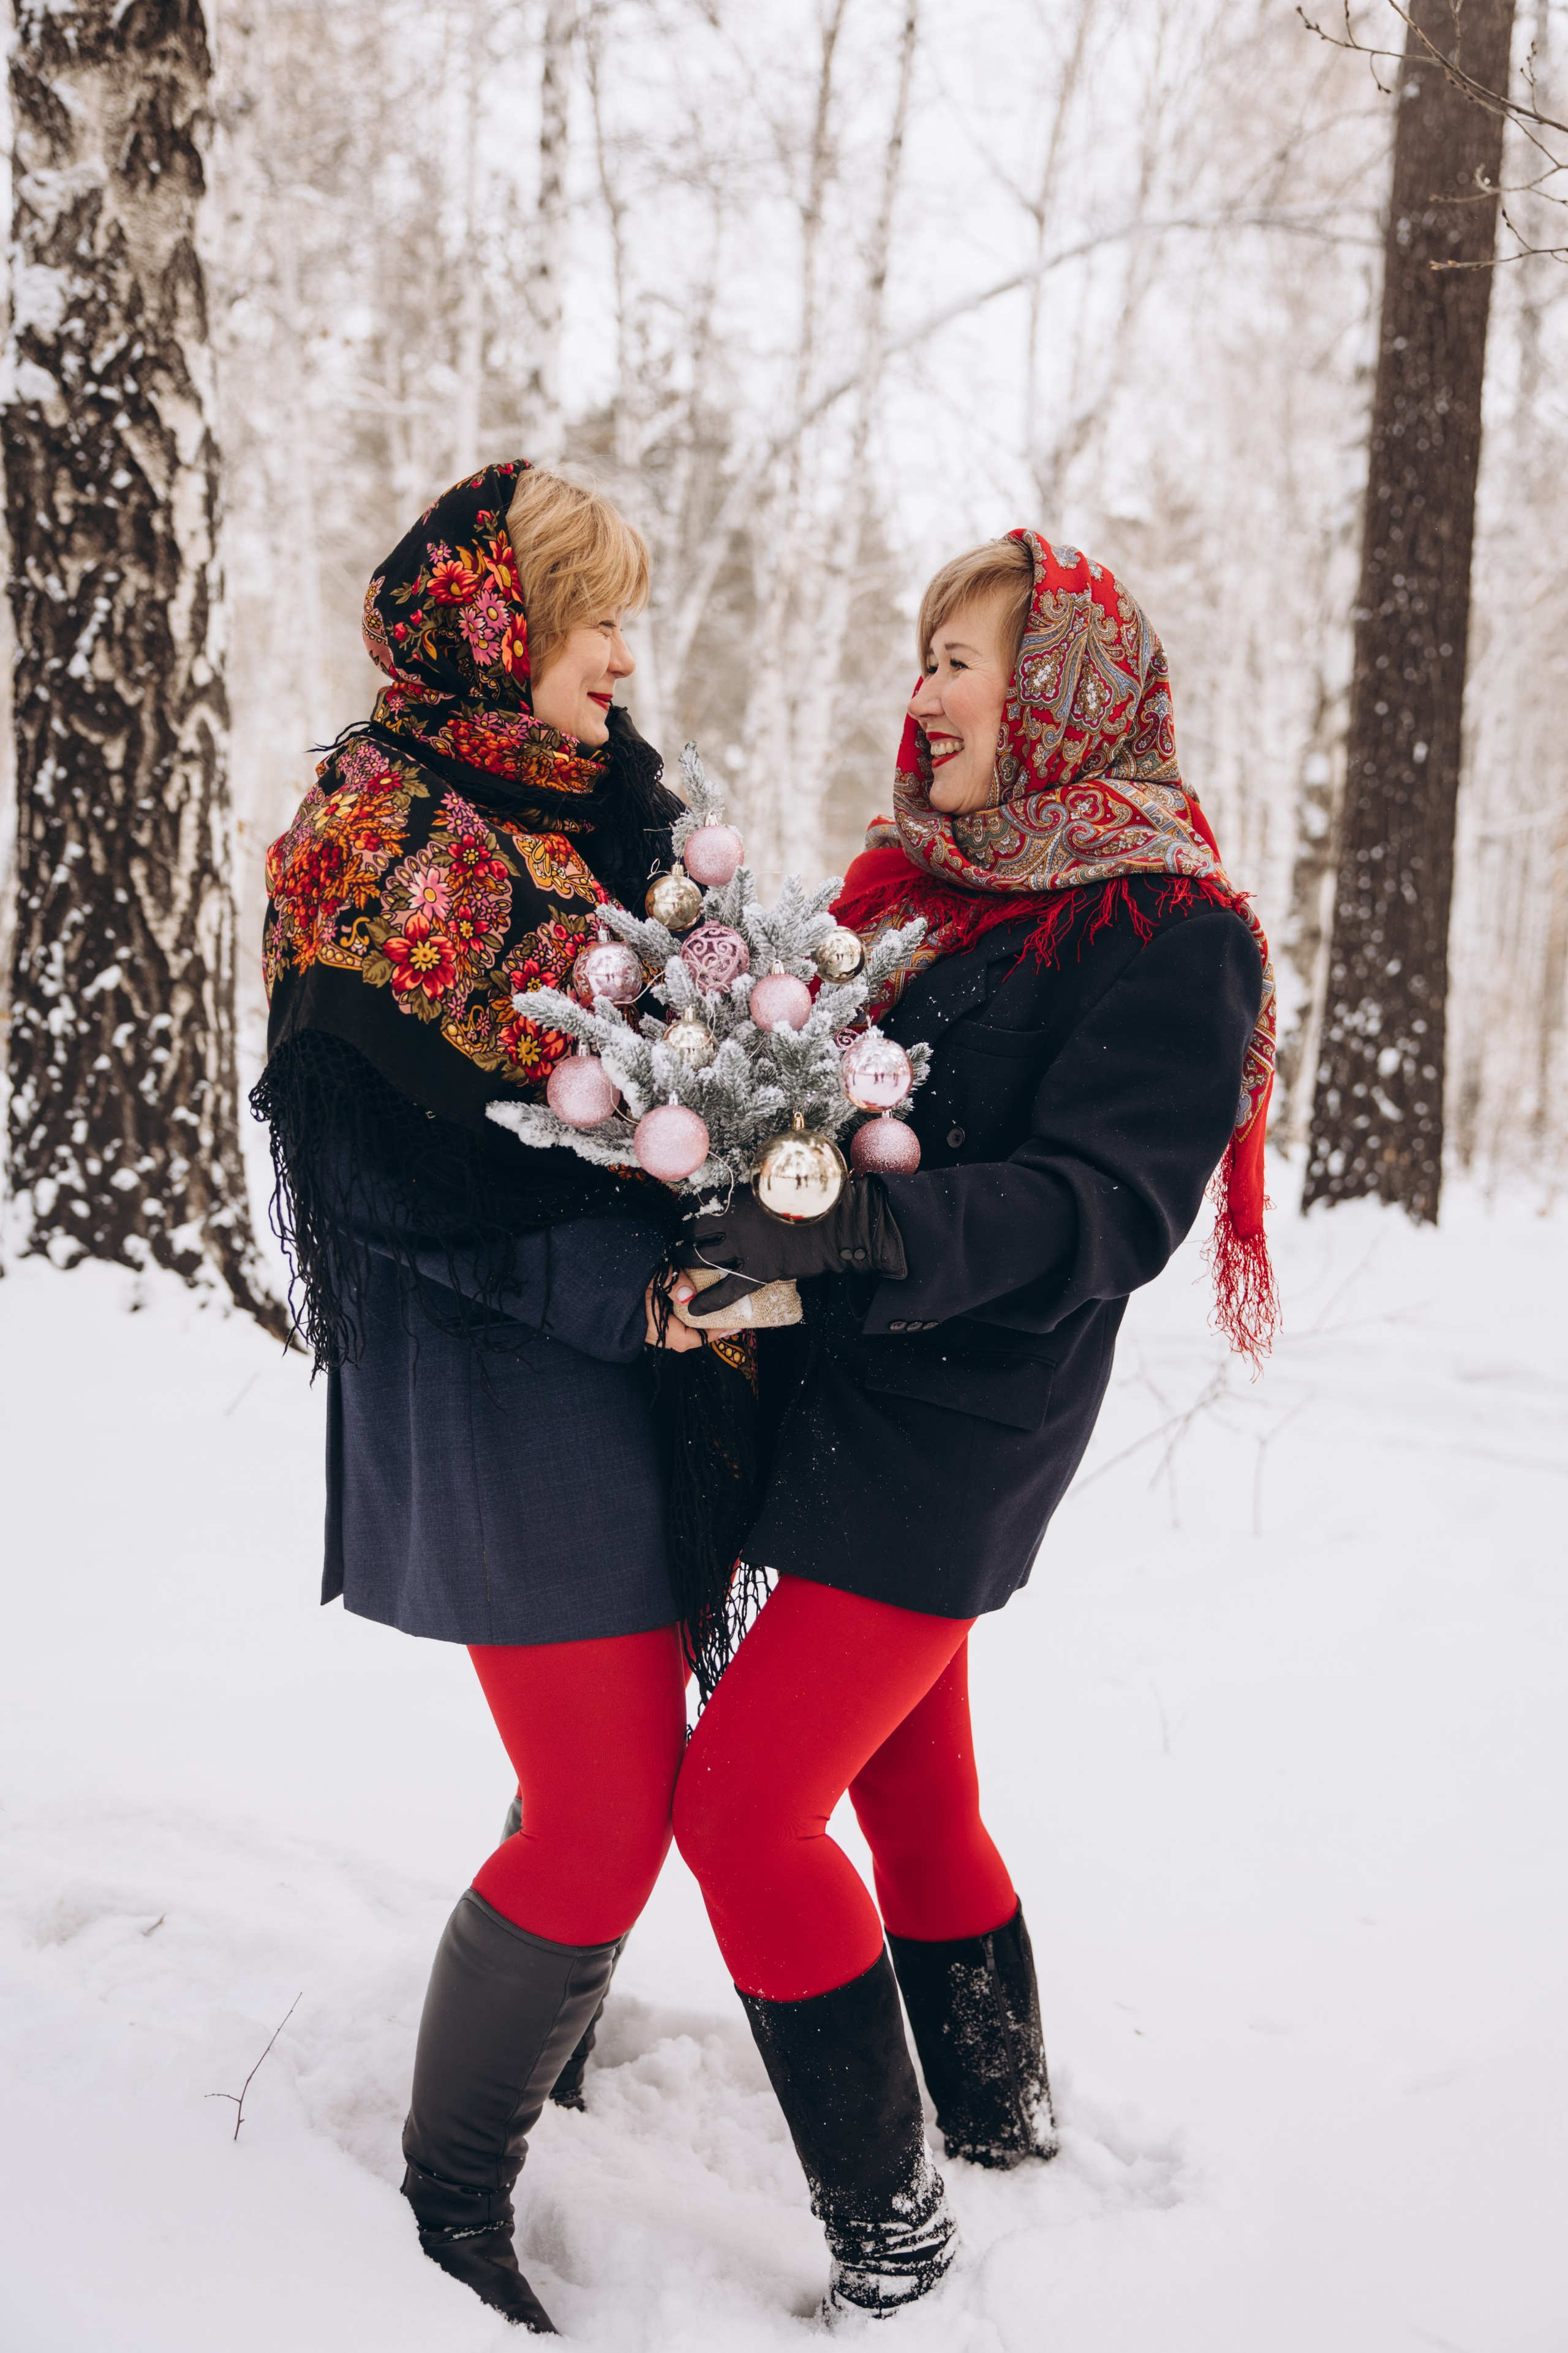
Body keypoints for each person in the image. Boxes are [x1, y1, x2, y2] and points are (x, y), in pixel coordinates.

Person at [671, 531, 1276, 2318]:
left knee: (747, 1810)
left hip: (964, 1428)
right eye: (921, 651)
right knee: (910, 1785)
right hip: (837, 1391)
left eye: (964, 656)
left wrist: (868, 1225)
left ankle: (895, 2230)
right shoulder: (917, 888)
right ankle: (1003, 2117)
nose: (924, 686)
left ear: (1065, 692)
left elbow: (1109, 1207)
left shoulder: (1168, 931)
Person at [252, 461, 734, 2336]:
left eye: (631, 613)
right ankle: (452, 2196)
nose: (628, 651)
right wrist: (615, 1282)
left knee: (606, 1770)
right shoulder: (379, 828)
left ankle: (549, 2042)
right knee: (608, 1801)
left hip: (633, 1351)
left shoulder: (604, 807)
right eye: (594, 616)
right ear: (494, 626)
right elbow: (377, 1175)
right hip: (491, 1356)